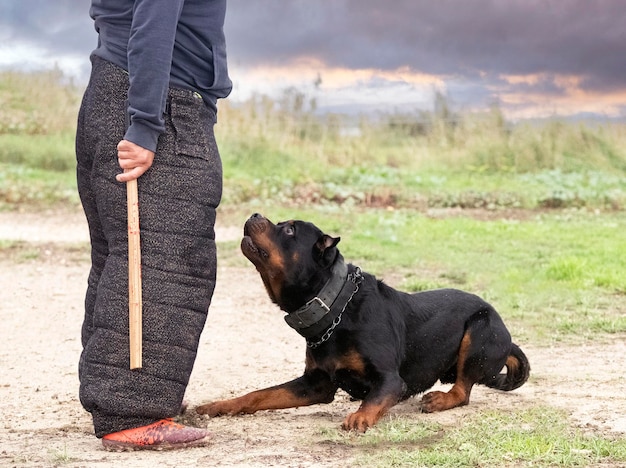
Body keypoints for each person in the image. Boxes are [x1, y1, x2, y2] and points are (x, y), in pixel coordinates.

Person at [75, 0, 232, 451]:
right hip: (153, 105)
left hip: (115, 92)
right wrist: (145, 124)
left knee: (123, 257)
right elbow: (152, 22)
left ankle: (116, 396)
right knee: (163, 261)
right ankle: (131, 411)